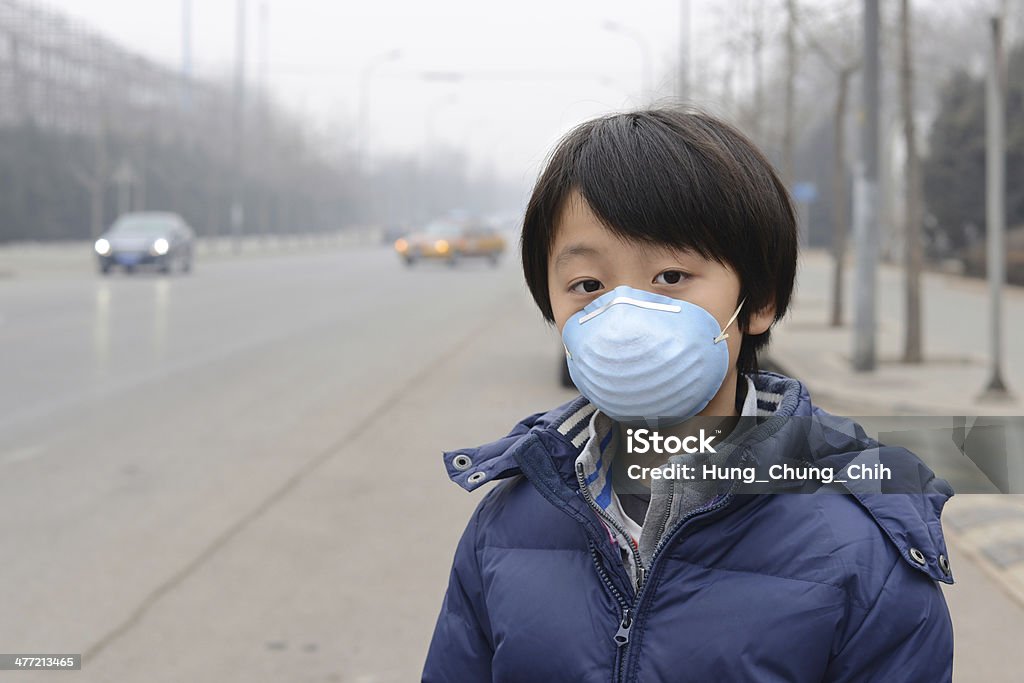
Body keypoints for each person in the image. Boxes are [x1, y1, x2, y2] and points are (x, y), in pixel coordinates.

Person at [422, 108, 954, 682]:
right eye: (589, 286)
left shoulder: (860, 549)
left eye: (671, 277)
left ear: (761, 301)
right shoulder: (506, 526)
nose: (623, 317)